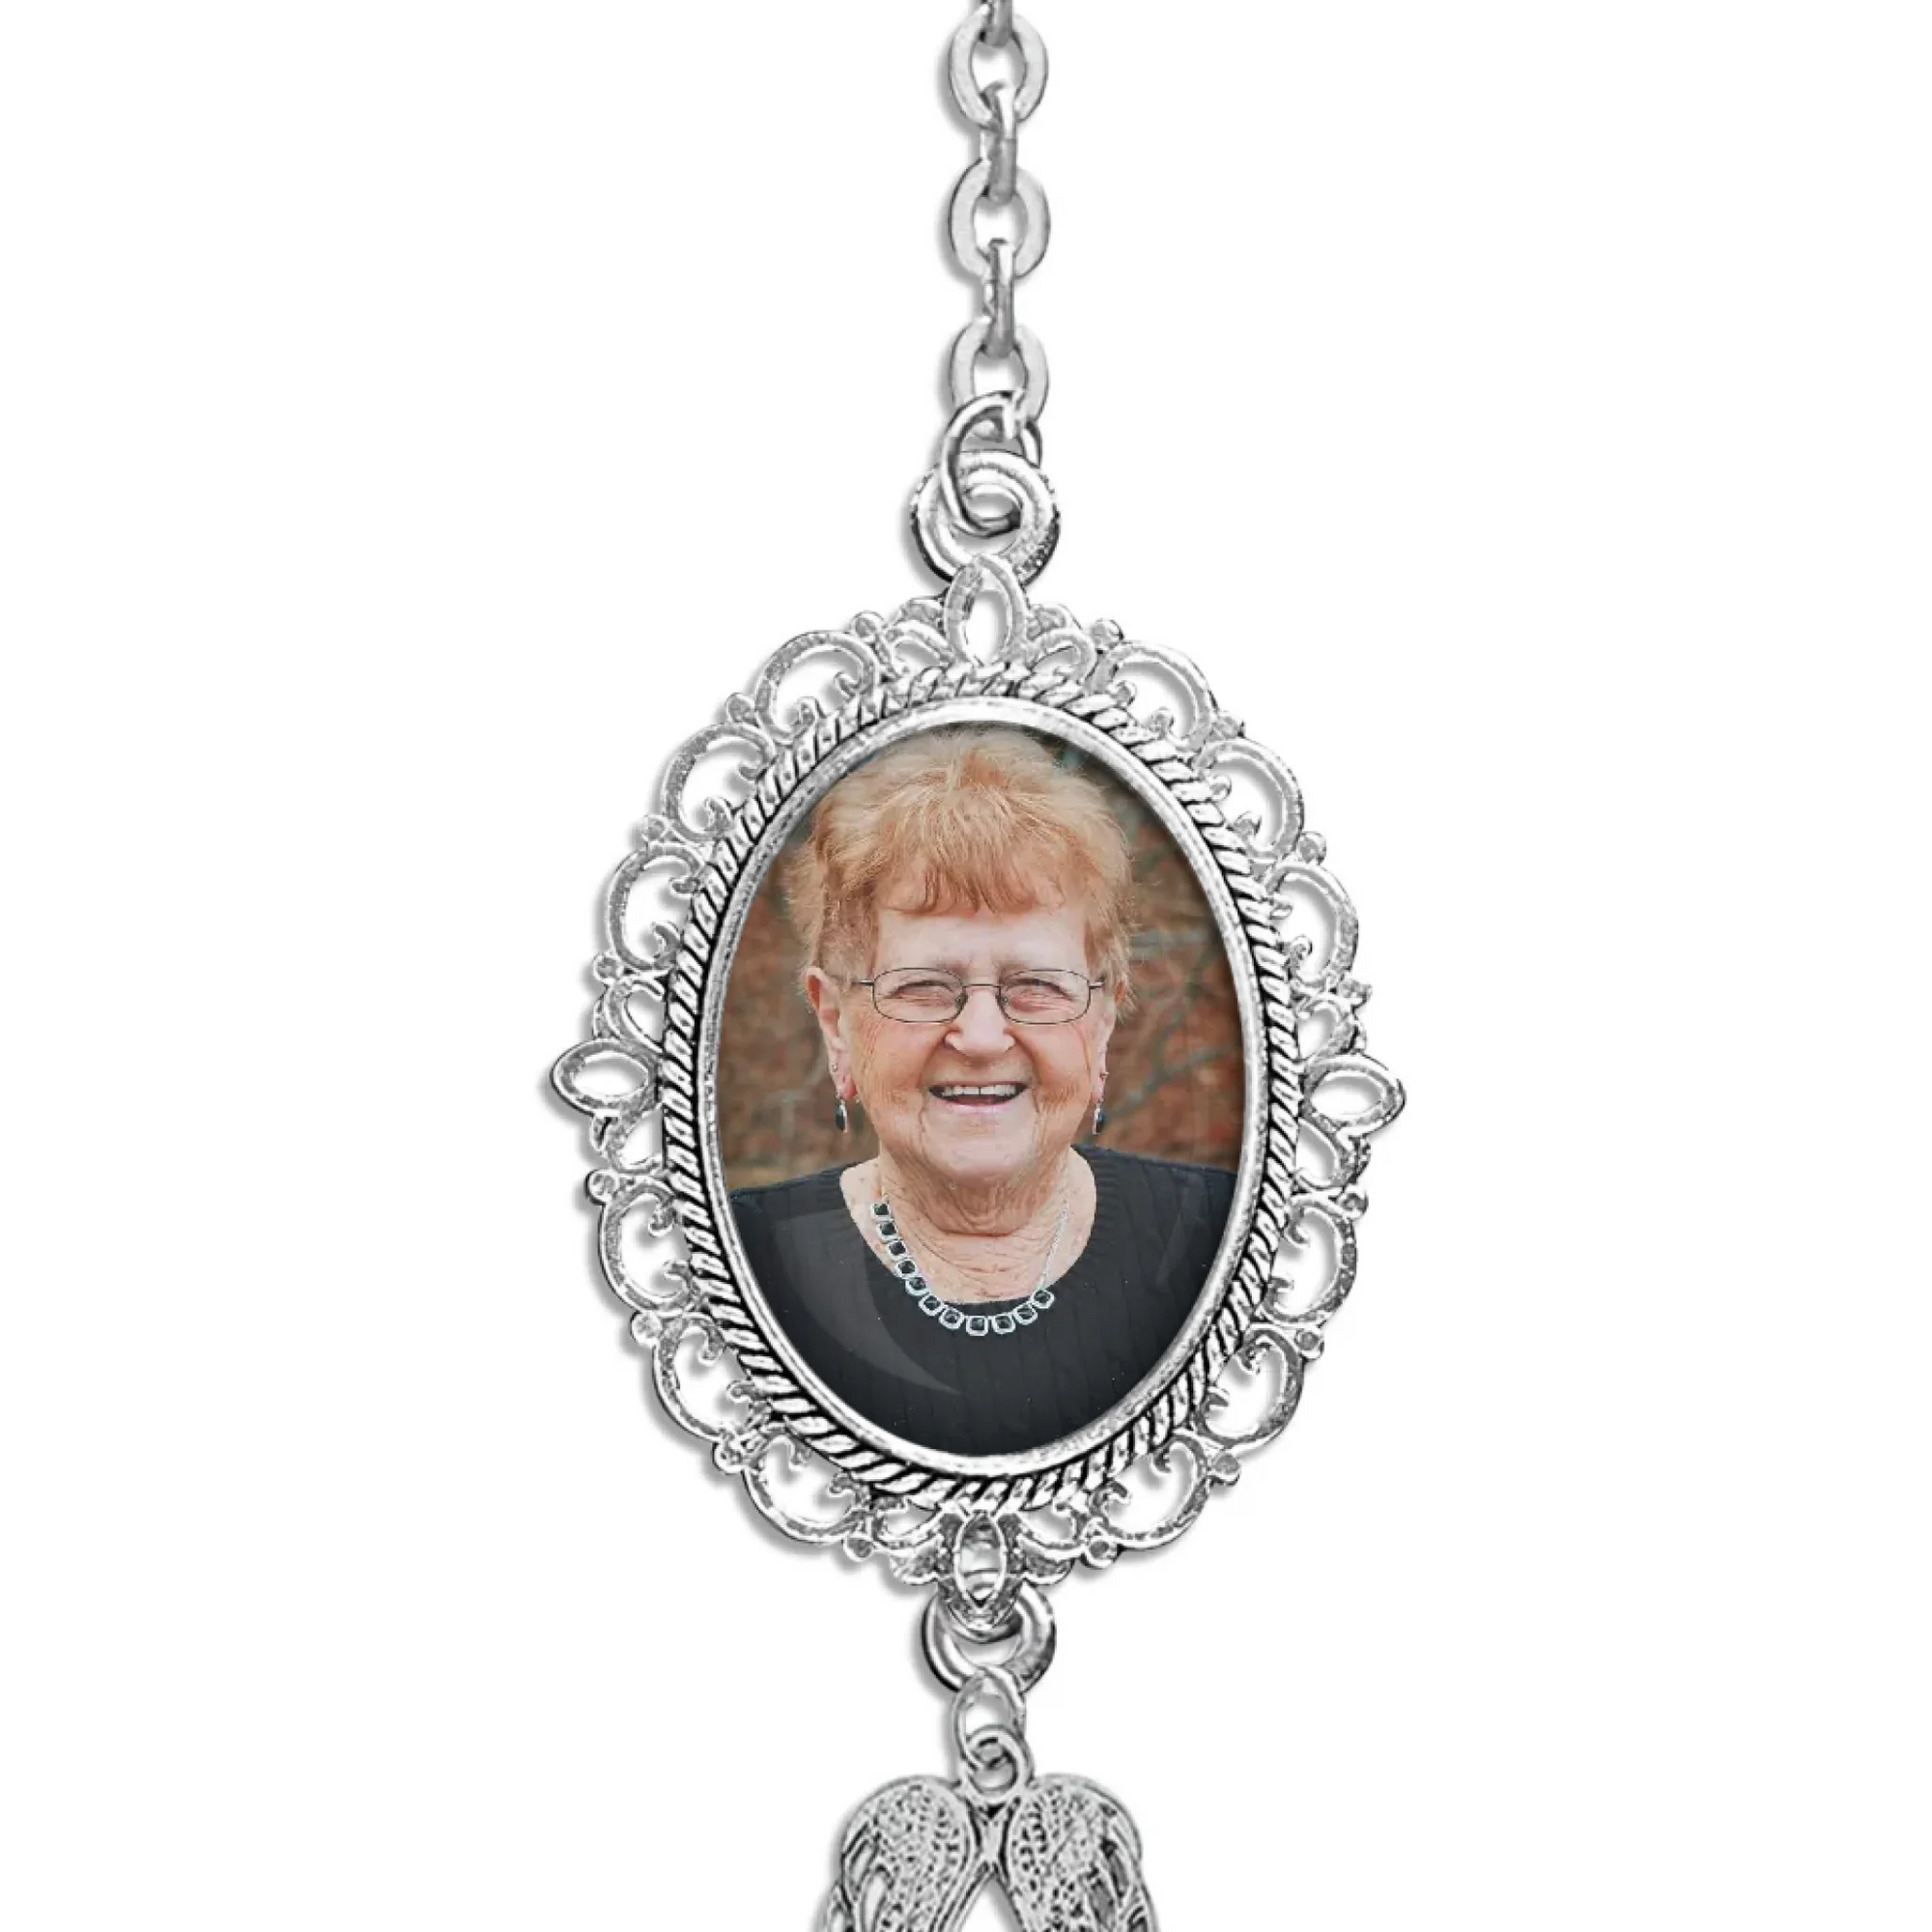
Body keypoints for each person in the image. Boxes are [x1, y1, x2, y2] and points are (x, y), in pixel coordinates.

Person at [730, 727, 1234, 1458]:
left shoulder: (1224, 1241)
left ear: (1101, 1020)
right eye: (924, 987)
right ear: (836, 1022)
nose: (982, 1036)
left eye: (1035, 985)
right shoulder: (732, 1266)